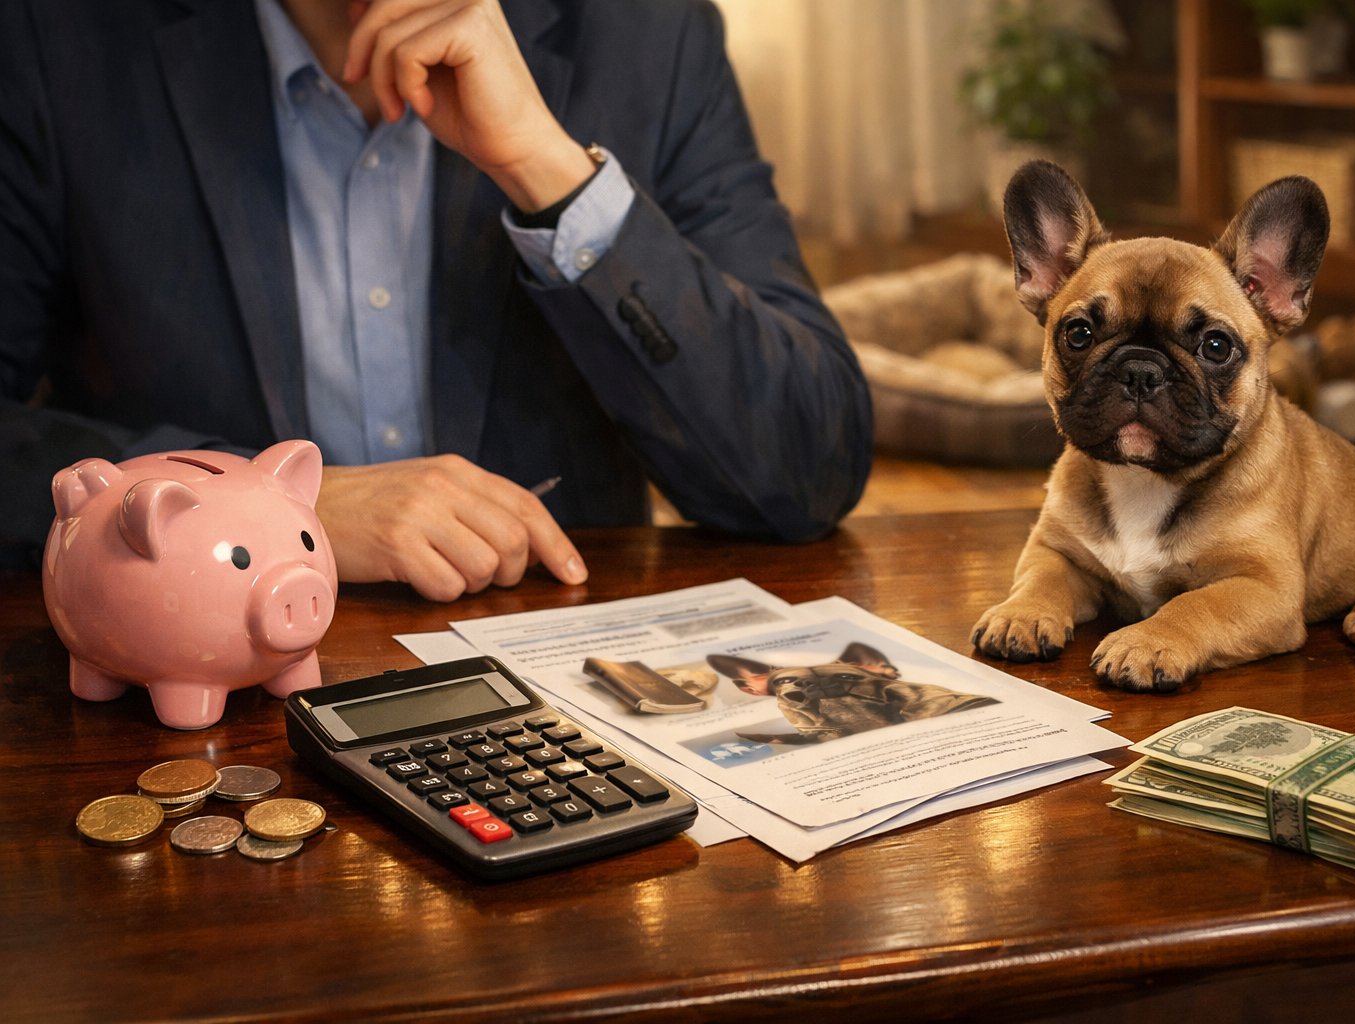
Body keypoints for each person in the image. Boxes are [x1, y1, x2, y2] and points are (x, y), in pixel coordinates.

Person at [0, 0, 873, 601]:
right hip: (194, 705)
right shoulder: (56, 37)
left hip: (562, 711)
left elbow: (804, 467)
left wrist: (548, 170)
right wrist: (279, 511)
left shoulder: (647, 32)